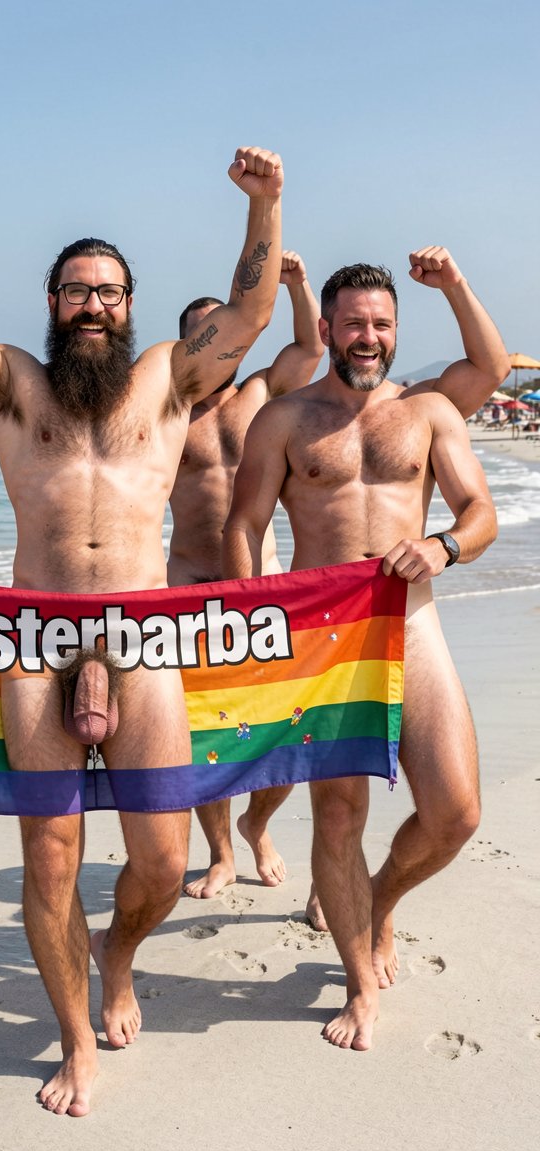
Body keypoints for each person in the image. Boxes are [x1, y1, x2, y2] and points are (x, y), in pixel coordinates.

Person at [0, 147, 284, 1116]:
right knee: (52, 855)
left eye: (108, 294)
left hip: (140, 637)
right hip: (34, 639)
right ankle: (76, 1040)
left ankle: (115, 954)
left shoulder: (164, 381)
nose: (92, 306)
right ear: (51, 297)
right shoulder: (15, 387)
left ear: (128, 305)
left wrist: (263, 206)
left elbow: (246, 318)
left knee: (160, 859)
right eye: (76, 291)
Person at [222, 248, 508, 1052]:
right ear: (326, 327)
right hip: (322, 644)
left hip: (411, 625)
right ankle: (357, 981)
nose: (367, 336)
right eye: (353, 323)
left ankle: (378, 901)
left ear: (393, 331)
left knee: (455, 813)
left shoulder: (426, 414)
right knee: (338, 814)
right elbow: (243, 525)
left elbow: (480, 510)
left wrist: (445, 547)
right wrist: (252, 629)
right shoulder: (283, 420)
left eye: (381, 324)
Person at [170, 253, 324, 912]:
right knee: (203, 729)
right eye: (203, 338)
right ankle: (222, 852)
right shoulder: (168, 411)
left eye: (226, 335)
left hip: (262, 586)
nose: (217, 348)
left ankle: (257, 824)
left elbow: (313, 346)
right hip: (187, 583)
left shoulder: (261, 392)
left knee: (282, 726)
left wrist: (297, 286)